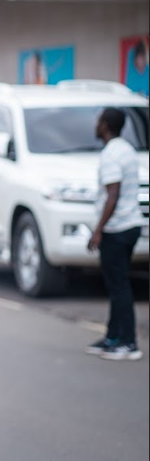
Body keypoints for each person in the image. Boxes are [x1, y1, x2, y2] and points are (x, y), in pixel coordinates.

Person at [86, 107, 144, 361]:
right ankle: (112, 337)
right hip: (131, 225)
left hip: (117, 229)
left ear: (106, 125)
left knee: (119, 285)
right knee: (115, 283)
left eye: (99, 121)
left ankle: (128, 342)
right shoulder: (127, 150)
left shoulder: (111, 155)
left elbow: (112, 194)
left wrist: (98, 231)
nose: (96, 125)